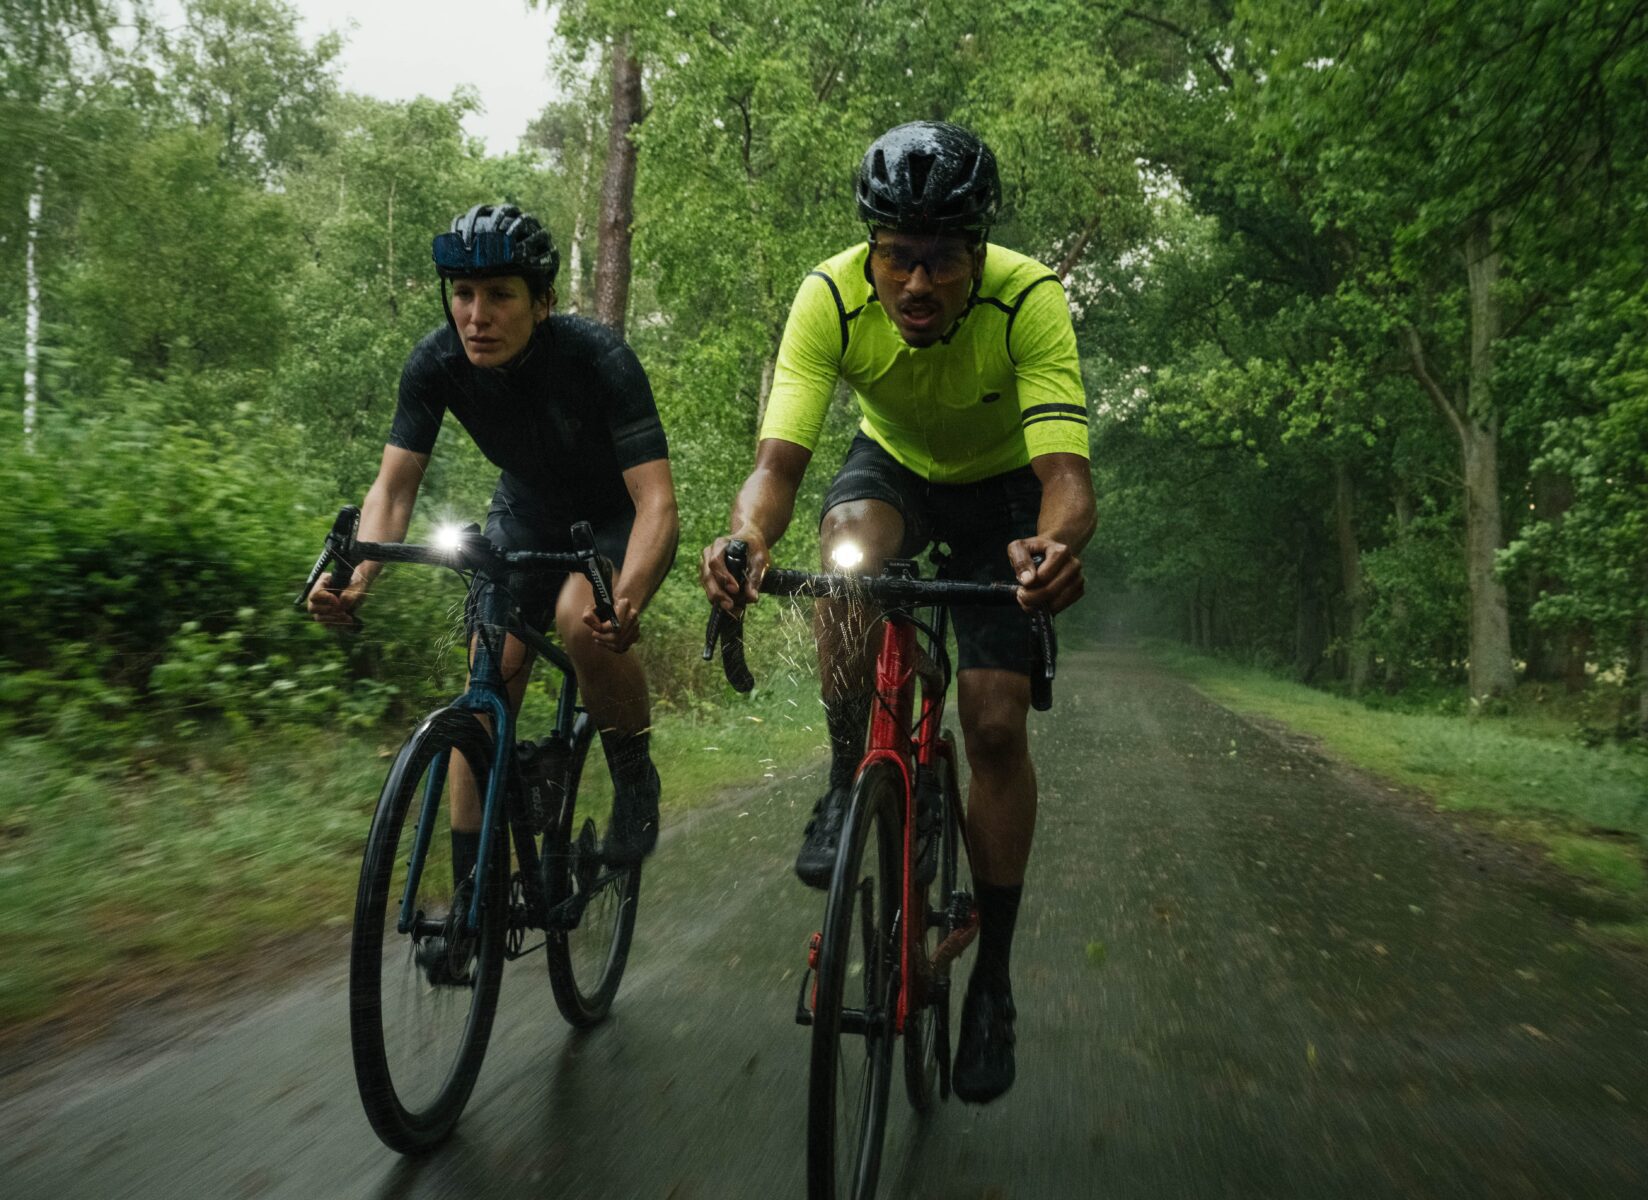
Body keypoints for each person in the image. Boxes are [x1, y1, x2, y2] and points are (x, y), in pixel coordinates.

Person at [700, 123, 1096, 1103]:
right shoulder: (829, 295)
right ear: (869, 248)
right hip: (895, 473)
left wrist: (1052, 548)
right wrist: (746, 539)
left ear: (978, 252)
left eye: (943, 258)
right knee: (847, 560)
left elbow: (1066, 481)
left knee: (996, 723)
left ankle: (993, 984)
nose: (917, 284)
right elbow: (775, 470)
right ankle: (847, 779)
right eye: (897, 257)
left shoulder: (1030, 298)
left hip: (1004, 494)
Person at [309, 204, 678, 977]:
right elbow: (393, 486)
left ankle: (634, 774)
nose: (477, 316)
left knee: (583, 620)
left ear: (542, 301)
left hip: (610, 516)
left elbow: (656, 505)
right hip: (524, 510)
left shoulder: (598, 357)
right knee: (486, 679)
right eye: (463, 294)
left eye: (501, 295)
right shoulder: (436, 361)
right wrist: (358, 576)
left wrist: (631, 595)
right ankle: (473, 897)